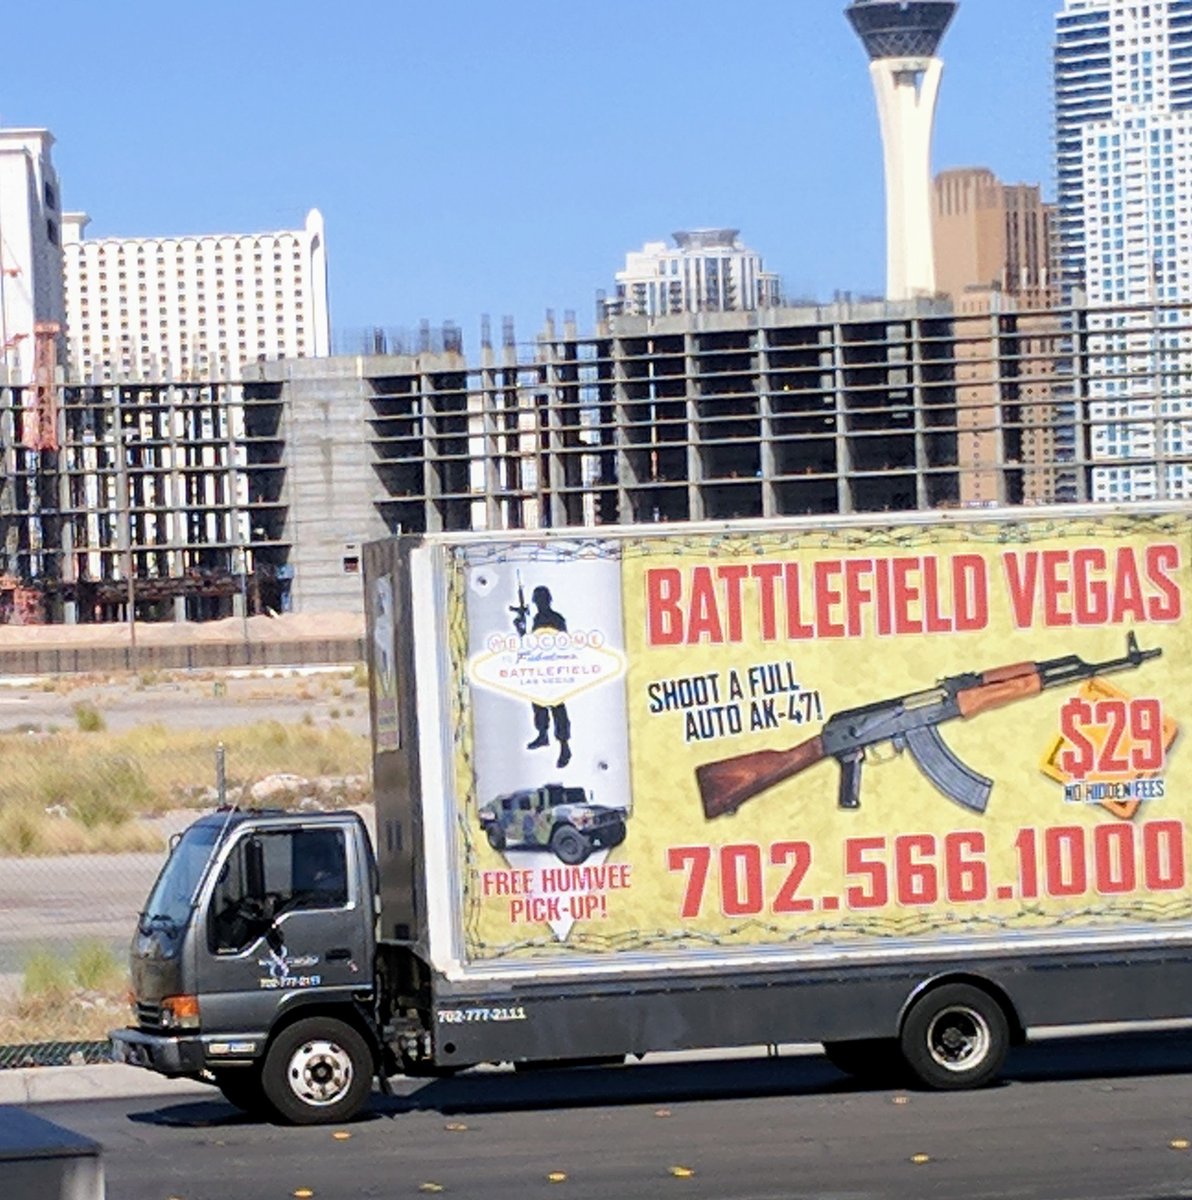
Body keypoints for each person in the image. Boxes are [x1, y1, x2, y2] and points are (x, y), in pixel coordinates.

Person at [523, 584, 572, 769]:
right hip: (541, 668)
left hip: (554, 668)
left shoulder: (556, 619)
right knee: (539, 704)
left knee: (558, 708)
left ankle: (564, 745)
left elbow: (563, 643)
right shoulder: (537, 619)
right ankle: (543, 734)